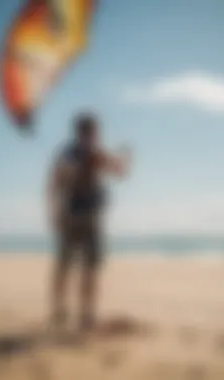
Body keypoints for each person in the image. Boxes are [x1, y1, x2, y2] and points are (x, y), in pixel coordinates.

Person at [48, 112, 131, 331]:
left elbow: (120, 173)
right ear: (83, 133)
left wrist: (123, 159)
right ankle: (60, 310)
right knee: (65, 266)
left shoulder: (96, 154)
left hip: (92, 218)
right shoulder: (69, 154)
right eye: (92, 132)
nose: (94, 136)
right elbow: (56, 182)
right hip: (73, 218)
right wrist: (55, 213)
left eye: (95, 133)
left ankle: (86, 314)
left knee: (90, 268)